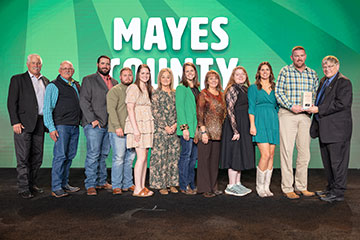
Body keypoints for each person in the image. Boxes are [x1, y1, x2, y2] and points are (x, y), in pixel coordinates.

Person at [275, 46, 319, 199]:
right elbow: (278, 92)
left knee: (304, 153)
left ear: (305, 56)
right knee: (287, 151)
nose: (299, 58)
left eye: (301, 56)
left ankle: (301, 186)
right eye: (296, 56)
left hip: (305, 116)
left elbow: (315, 94)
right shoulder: (285, 71)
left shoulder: (312, 73)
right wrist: (290, 106)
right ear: (292, 57)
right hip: (288, 114)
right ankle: (287, 187)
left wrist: (310, 107)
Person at [307, 56, 352, 203]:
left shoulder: (343, 82)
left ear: (337, 67)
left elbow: (342, 104)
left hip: (337, 131)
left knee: (337, 163)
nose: (327, 69)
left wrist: (318, 109)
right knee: (328, 162)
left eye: (330, 67)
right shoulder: (323, 81)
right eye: (325, 67)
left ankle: (338, 193)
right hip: (324, 129)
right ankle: (330, 188)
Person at [7, 54, 49, 199]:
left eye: (38, 63)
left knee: (37, 157)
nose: (36, 65)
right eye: (33, 63)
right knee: (23, 157)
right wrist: (15, 121)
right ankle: (24, 187)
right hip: (23, 124)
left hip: (40, 123)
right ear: (28, 64)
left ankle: (32, 184)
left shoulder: (45, 80)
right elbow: (11, 102)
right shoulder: (18, 79)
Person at [80, 55, 118, 196]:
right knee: (93, 154)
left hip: (109, 124)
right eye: (103, 63)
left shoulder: (114, 82)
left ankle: (101, 181)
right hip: (94, 124)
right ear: (97, 64)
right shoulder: (89, 80)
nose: (105, 66)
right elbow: (84, 101)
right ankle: (90, 184)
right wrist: (92, 120)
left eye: (107, 64)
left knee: (103, 155)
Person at [43, 61, 81, 198]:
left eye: (70, 68)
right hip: (61, 126)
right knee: (60, 156)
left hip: (74, 126)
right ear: (59, 70)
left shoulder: (75, 85)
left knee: (69, 156)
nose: (67, 70)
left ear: (73, 70)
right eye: (64, 68)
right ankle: (56, 187)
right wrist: (51, 128)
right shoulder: (53, 86)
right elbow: (47, 108)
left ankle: (65, 183)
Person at [220, 66, 255, 197]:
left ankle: (238, 183)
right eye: (237, 74)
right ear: (233, 77)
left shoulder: (245, 89)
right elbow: (230, 110)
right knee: (234, 154)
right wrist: (235, 130)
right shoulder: (232, 89)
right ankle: (231, 185)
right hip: (234, 127)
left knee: (240, 154)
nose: (240, 76)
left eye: (243, 74)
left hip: (244, 126)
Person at [248, 62, 279, 197]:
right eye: (262, 70)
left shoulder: (276, 87)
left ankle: (267, 187)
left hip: (273, 121)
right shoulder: (253, 88)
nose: (265, 72)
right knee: (265, 155)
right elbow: (251, 108)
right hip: (260, 121)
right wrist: (252, 125)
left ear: (270, 72)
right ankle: (259, 186)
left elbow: (278, 106)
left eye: (267, 70)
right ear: (258, 72)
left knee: (271, 155)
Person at [124, 64, 154, 197]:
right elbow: (130, 109)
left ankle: (142, 186)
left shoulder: (147, 88)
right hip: (138, 125)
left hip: (146, 125)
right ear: (138, 74)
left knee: (144, 157)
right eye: (142, 73)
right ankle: (137, 189)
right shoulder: (133, 87)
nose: (145, 76)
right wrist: (136, 129)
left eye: (147, 73)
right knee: (140, 157)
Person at [150, 68, 180, 195]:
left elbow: (179, 110)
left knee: (173, 157)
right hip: (160, 130)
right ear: (159, 79)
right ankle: (161, 184)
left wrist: (175, 125)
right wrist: (165, 126)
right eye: (163, 77)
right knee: (160, 157)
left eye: (168, 77)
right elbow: (155, 112)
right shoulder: (156, 93)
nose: (166, 79)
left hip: (174, 129)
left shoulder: (175, 93)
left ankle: (172, 183)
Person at [196, 70, 226, 198]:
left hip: (218, 133)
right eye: (211, 79)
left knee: (214, 162)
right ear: (206, 81)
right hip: (206, 132)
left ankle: (214, 187)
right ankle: (204, 188)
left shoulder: (221, 94)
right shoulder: (204, 94)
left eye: (216, 79)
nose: (214, 81)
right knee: (204, 161)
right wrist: (203, 131)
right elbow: (200, 114)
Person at [106, 67, 136, 195]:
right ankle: (116, 185)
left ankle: (128, 184)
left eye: (130, 75)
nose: (128, 77)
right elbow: (111, 110)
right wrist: (117, 126)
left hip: (132, 130)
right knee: (119, 158)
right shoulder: (114, 91)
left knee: (130, 158)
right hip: (117, 130)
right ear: (120, 77)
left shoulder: (135, 90)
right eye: (125, 75)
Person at [175, 62, 200, 195]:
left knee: (193, 158)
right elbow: (180, 109)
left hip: (195, 129)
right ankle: (184, 185)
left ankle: (191, 183)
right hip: (187, 129)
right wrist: (184, 128)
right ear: (184, 74)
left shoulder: (196, 88)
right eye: (187, 71)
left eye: (192, 71)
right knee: (185, 157)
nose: (190, 73)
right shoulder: (181, 88)